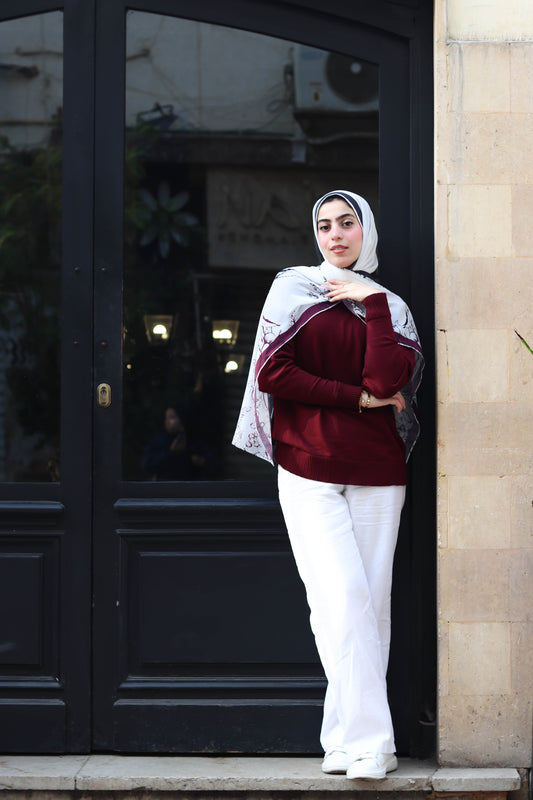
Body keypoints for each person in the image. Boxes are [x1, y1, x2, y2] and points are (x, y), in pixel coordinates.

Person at [233, 190, 423, 780]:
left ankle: (344, 740)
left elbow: (389, 376)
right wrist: (357, 399)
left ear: (367, 230)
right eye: (324, 225)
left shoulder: (390, 304)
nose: (335, 235)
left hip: (377, 471)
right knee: (340, 601)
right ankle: (372, 743)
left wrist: (374, 305)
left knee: (369, 605)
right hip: (308, 465)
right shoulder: (295, 290)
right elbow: (272, 371)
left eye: (347, 223)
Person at [142, 405, 216, 480]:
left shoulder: (193, 440)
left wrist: (201, 461)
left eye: (172, 417)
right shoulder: (159, 441)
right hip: (165, 487)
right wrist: (170, 453)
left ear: (181, 419)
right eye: (166, 418)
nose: (167, 421)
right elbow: (148, 465)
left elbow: (214, 465)